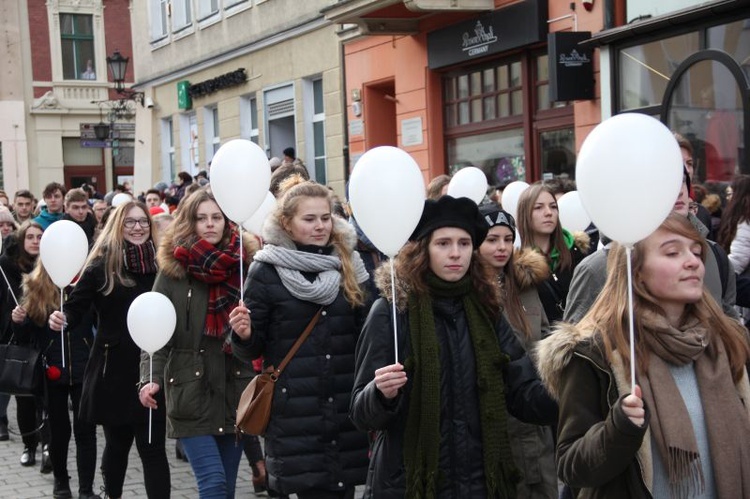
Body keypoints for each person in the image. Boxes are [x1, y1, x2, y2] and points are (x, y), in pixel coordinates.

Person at [350, 195, 557, 497]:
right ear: (424, 249)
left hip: (480, 483)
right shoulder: (392, 312)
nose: (455, 253)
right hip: (409, 484)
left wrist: (569, 386)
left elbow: (524, 394)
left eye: (463, 243)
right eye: (443, 243)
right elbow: (360, 413)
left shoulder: (487, 310)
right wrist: (381, 395)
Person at [537, 212, 750, 498]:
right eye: (673, 252)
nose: (693, 262)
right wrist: (618, 430)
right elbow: (571, 466)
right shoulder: (595, 354)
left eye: (697, 252)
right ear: (636, 271)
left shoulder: (724, 343)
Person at [229, 176, 372, 497]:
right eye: (309, 219)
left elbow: (367, 331)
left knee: (343, 490)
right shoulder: (265, 271)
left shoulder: (349, 263)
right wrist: (244, 334)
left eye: (326, 218)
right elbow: (250, 348)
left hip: (344, 403)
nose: (320, 226)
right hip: (296, 411)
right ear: (287, 224)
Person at [138, 187, 260, 498]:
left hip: (234, 389)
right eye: (201, 218)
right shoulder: (172, 270)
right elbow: (155, 332)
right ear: (189, 223)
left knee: (228, 488)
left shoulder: (246, 267)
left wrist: (248, 333)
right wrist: (150, 379)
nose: (210, 224)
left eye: (216, 217)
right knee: (214, 483)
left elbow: (264, 329)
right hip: (189, 390)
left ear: (227, 221)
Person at [49, 201, 170, 499]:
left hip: (153, 366)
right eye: (130, 222)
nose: (138, 227)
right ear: (118, 226)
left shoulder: (164, 265)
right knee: (117, 445)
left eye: (143, 222)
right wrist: (62, 318)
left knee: (153, 448)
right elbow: (77, 308)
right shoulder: (101, 266)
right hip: (113, 369)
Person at [565, 166, 738, 325]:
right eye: (672, 253)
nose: (678, 191)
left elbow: (731, 332)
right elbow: (575, 347)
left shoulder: (715, 254)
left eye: (682, 181)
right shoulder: (597, 268)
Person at [477, 204, 557, 499]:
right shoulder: (469, 292)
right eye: (492, 239)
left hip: (535, 418)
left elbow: (547, 338)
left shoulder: (527, 286)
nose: (502, 247)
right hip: (496, 421)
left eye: (508, 239)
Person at [13, 256, 99, 499]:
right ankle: (61, 481)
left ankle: (86, 489)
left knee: (86, 431)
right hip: (52, 370)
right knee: (59, 431)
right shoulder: (37, 286)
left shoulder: (86, 285)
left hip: (84, 368)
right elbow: (25, 337)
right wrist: (19, 322)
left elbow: (99, 322)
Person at [0, 221, 49, 471]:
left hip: (47, 338)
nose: (35, 241)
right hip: (20, 340)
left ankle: (48, 447)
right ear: (21, 241)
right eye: (30, 237)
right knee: (25, 400)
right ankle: (29, 446)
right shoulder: (7, 268)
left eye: (40, 236)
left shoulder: (53, 265)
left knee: (49, 398)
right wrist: (12, 318)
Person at [516, 183, 588, 324]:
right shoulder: (518, 265)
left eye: (553, 206)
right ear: (525, 213)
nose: (548, 212)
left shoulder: (576, 253)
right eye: (538, 207)